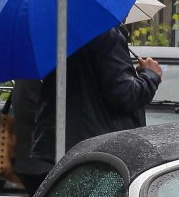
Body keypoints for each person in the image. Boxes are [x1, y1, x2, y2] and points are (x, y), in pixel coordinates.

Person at [31, 25, 163, 170]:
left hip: (57, 146)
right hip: (94, 150)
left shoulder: (57, 29)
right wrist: (151, 75)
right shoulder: (105, 32)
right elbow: (125, 96)